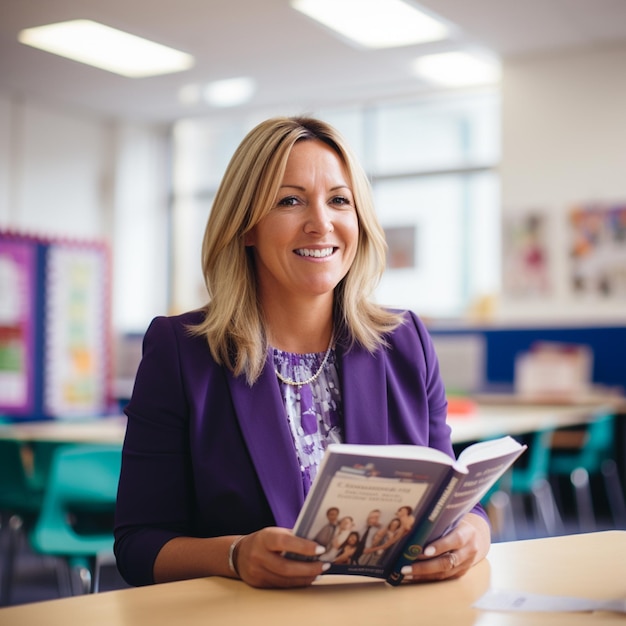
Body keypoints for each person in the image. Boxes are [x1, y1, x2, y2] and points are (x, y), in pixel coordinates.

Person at [114, 115, 491, 590]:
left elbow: (449, 500)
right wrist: (234, 555)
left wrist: (476, 533)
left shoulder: (405, 341)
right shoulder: (182, 352)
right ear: (246, 227)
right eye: (290, 201)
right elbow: (138, 544)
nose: (321, 223)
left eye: (339, 201)